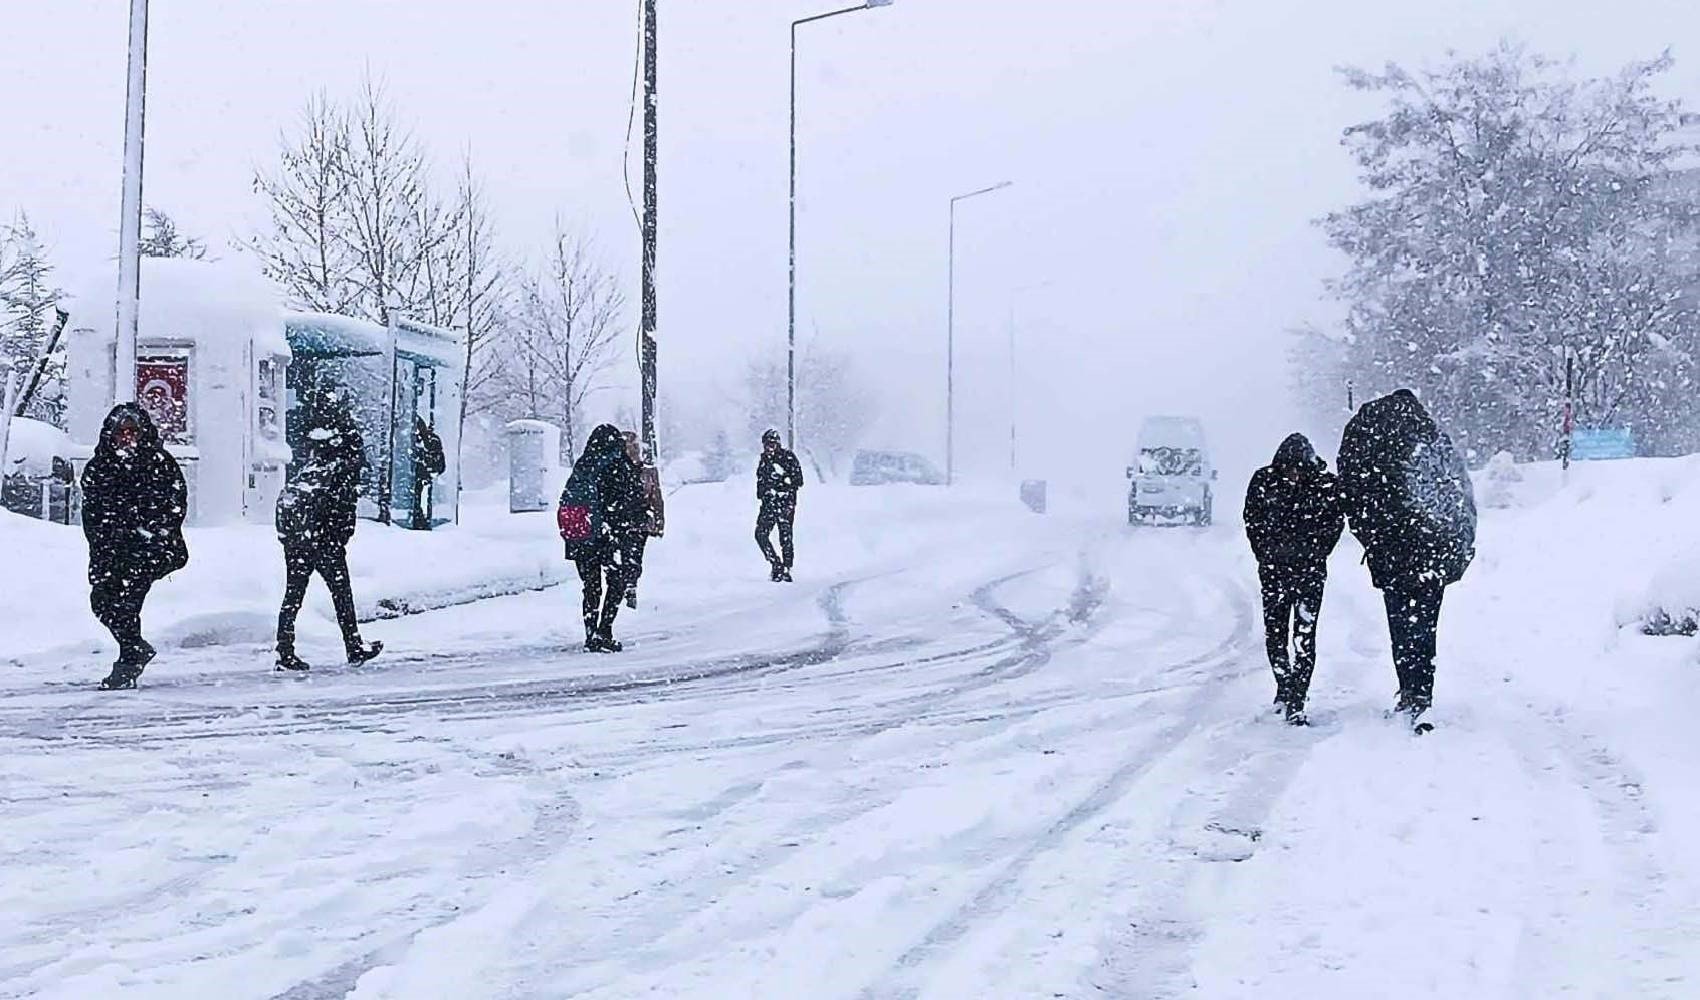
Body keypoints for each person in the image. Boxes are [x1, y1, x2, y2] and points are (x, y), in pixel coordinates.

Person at [1337, 389, 1476, 730]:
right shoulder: (1432, 443)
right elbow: (1458, 498)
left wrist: (1372, 538)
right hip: (1434, 555)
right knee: (1426, 627)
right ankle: (1422, 693)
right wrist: (1455, 547)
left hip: (1393, 556)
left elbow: (1355, 498)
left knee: (1401, 626)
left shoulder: (1374, 447)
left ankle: (1408, 689)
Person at [81, 403, 188, 690]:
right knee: (102, 602)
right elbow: (91, 515)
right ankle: (134, 649)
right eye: (121, 432)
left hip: (151, 550)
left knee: (127, 603)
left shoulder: (159, 464)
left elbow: (175, 506)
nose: (127, 438)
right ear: (111, 435)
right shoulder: (99, 467)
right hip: (112, 551)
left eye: (132, 432)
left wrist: (153, 535)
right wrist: (103, 547)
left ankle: (128, 663)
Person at [274, 395, 383, 672]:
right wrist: (337, 537)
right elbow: (340, 510)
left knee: (293, 595)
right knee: (342, 594)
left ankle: (284, 650)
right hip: (325, 543)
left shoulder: (314, 465)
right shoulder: (342, 469)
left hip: (299, 541)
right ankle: (353, 645)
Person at [1244, 433, 1345, 725]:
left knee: (1304, 637)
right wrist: (1265, 555)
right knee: (1275, 635)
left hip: (1308, 573)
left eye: (1298, 470)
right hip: (1275, 572)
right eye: (1289, 469)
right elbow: (1252, 521)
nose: (1293, 476)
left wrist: (1316, 553)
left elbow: (1335, 523)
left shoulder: (1325, 486)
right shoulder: (1264, 482)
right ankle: (1284, 686)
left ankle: (1297, 697)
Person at [559, 424, 643, 652]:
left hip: (581, 535)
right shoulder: (617, 463)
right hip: (607, 535)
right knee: (616, 581)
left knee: (591, 585)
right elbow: (629, 498)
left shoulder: (584, 463)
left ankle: (590, 634)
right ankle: (604, 630)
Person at [619, 430, 666, 609]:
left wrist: (659, 522)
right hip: (620, 521)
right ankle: (626, 586)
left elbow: (656, 498)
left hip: (639, 521)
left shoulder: (648, 472)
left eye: (634, 445)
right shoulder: (617, 470)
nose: (633, 449)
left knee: (634, 556)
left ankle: (630, 586)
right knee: (625, 556)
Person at [755, 429, 804, 582]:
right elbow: (761, 480)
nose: (769, 447)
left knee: (786, 537)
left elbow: (798, 480)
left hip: (785, 503)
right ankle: (776, 563)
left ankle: (787, 569)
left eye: (772, 444)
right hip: (769, 504)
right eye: (767, 444)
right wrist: (763, 492)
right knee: (760, 534)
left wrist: (782, 482)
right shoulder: (764, 460)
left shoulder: (788, 457)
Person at [410, 417, 446, 530]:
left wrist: (428, 470)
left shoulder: (430, 441)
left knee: (420, 497)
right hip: (420, 479)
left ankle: (420, 518)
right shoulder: (431, 440)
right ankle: (420, 518)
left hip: (421, 479)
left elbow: (439, 465)